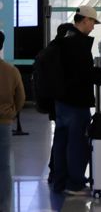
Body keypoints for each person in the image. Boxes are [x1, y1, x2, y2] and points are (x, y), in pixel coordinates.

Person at [50, 6, 101, 195]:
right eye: (93, 22)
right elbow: (82, 73)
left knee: (61, 141)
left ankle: (59, 181)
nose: (93, 27)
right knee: (77, 143)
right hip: (76, 102)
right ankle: (75, 183)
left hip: (60, 100)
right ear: (84, 20)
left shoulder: (62, 39)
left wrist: (100, 73)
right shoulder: (78, 44)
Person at [0, 31, 24, 212]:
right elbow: (21, 97)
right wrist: (12, 112)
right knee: (4, 167)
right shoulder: (11, 71)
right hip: (4, 122)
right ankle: (5, 206)